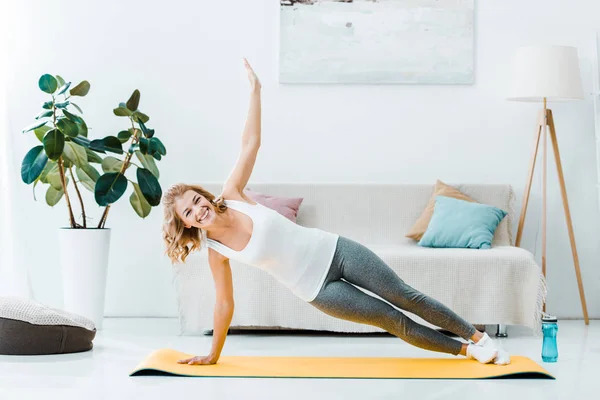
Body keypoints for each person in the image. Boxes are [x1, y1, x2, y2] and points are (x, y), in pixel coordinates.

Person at [161, 59, 511, 367]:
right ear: (187, 223)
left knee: (405, 296)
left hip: (337, 251)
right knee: (392, 320)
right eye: (189, 212)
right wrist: (213, 354)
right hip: (317, 290)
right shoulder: (216, 253)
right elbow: (224, 305)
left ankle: (477, 337)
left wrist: (256, 91)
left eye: (196, 199)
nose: (198, 209)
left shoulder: (233, 194)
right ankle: (465, 352)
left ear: (204, 196)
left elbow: (250, 143)